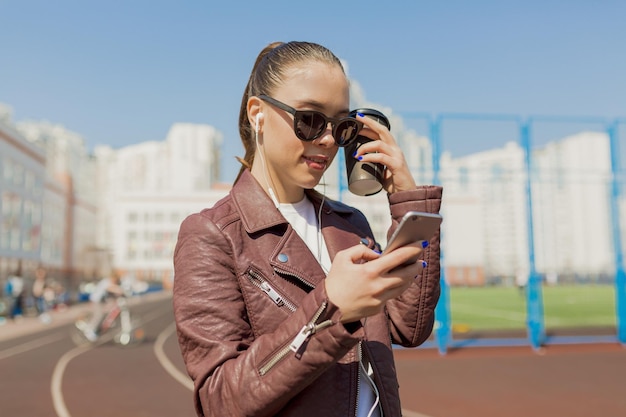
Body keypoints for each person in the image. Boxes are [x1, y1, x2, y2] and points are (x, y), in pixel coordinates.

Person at [173, 41, 443, 417]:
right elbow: (220, 399)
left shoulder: (350, 224)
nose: (329, 139)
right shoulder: (212, 234)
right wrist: (332, 308)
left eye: (342, 126)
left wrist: (407, 199)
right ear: (258, 114)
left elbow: (408, 327)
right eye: (311, 120)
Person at [78, 269, 126, 342]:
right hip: (96, 300)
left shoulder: (112, 282)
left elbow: (113, 292)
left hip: (103, 300)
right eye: (115, 280)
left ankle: (108, 321)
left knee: (114, 307)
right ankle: (89, 331)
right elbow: (111, 288)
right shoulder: (106, 282)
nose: (116, 281)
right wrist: (119, 290)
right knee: (99, 314)